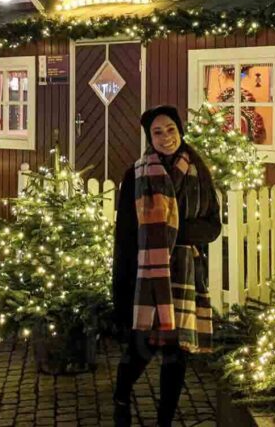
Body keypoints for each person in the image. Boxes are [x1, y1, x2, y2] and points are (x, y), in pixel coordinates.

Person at [111, 105, 222, 427]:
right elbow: (126, 237)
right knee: (140, 350)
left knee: (177, 357)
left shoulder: (199, 171)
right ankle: (121, 396)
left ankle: (165, 421)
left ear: (180, 130)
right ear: (149, 137)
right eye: (157, 132)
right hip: (145, 277)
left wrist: (169, 232)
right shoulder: (136, 174)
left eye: (170, 129)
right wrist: (121, 290)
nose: (166, 137)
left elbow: (213, 227)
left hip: (185, 277)